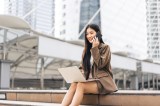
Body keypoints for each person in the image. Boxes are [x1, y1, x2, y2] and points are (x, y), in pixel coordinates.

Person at [61, 24, 118, 106]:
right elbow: (83, 68)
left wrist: (95, 48)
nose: (89, 36)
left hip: (103, 82)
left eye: (91, 33)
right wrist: (76, 74)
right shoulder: (86, 50)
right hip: (90, 81)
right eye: (87, 34)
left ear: (98, 34)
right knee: (74, 84)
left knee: (80, 85)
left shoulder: (105, 48)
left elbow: (101, 65)